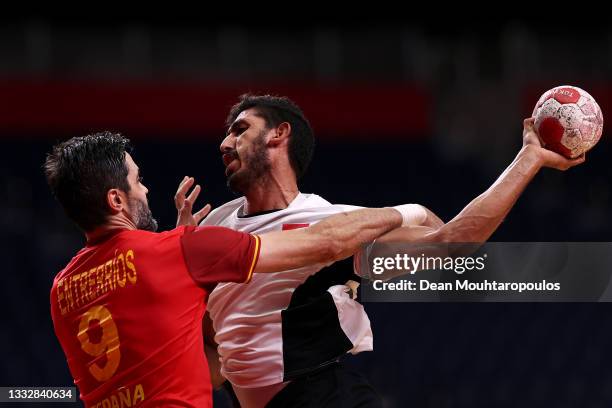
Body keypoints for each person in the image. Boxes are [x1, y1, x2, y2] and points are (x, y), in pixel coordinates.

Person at [182, 94, 584, 408]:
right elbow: (213, 346)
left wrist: (528, 159)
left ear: (278, 134)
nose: (224, 143)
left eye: (239, 130)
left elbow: (452, 243)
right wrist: (181, 261)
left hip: (326, 400)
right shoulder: (216, 223)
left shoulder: (337, 224)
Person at [45, 131, 424, 407]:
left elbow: (200, 365)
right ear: (116, 199)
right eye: (137, 181)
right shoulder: (178, 250)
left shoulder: (61, 290)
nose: (145, 190)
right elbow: (323, 243)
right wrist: (409, 212)